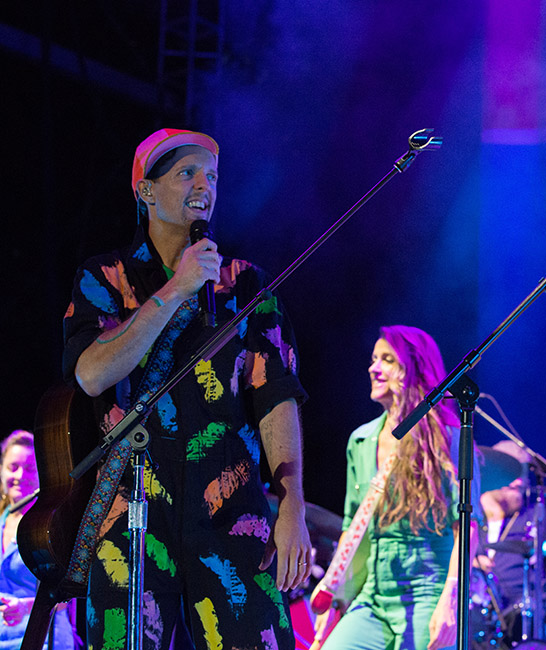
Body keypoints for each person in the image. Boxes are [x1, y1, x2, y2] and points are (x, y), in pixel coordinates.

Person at [62, 128, 310, 649]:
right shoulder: (105, 278)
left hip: (232, 506)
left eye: (213, 176)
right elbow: (90, 374)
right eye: (187, 173)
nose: (205, 185)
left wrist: (292, 508)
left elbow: (276, 398)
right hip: (133, 512)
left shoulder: (245, 284)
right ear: (146, 191)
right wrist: (178, 288)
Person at [311, 325, 479, 650]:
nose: (374, 368)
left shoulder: (449, 438)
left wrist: (451, 601)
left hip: (429, 588)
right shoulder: (360, 440)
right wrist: (337, 592)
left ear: (414, 367)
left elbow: (468, 528)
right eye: (374, 359)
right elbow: (352, 529)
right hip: (374, 592)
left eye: (387, 359)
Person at [473, 440, 546, 649]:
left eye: (522, 473)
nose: (519, 481)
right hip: (473, 610)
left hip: (522, 613)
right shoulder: (470, 517)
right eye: (512, 473)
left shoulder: (539, 517)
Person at [0, 431, 79, 650]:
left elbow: (69, 594)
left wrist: (25, 607)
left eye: (30, 468)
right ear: (1, 470)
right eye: (13, 467)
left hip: (42, 636)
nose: (20, 475)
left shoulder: (52, 525)